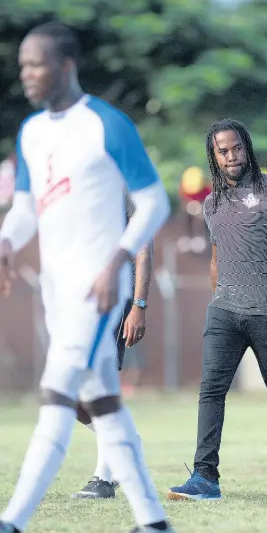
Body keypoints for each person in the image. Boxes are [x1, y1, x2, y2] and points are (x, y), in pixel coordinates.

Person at [0, 22, 177, 533]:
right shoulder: (32, 132)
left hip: (99, 290)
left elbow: (154, 203)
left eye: (37, 64)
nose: (27, 75)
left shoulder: (107, 124)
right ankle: (154, 524)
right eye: (23, 66)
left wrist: (116, 261)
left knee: (56, 395)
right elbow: (26, 210)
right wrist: (5, 242)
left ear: (67, 65)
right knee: (103, 404)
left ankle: (11, 522)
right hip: (57, 291)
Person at [167, 118, 267, 501]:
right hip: (224, 312)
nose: (231, 156)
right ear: (214, 156)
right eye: (223, 151)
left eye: (236, 147)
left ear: (246, 147)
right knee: (211, 390)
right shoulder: (212, 203)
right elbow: (217, 259)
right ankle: (205, 478)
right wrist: (216, 300)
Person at [72, 196, 153, 499]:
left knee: (97, 385)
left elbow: (143, 245)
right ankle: (126, 440)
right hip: (81, 297)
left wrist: (138, 304)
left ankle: (103, 478)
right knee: (68, 394)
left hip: (114, 297)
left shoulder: (121, 180)